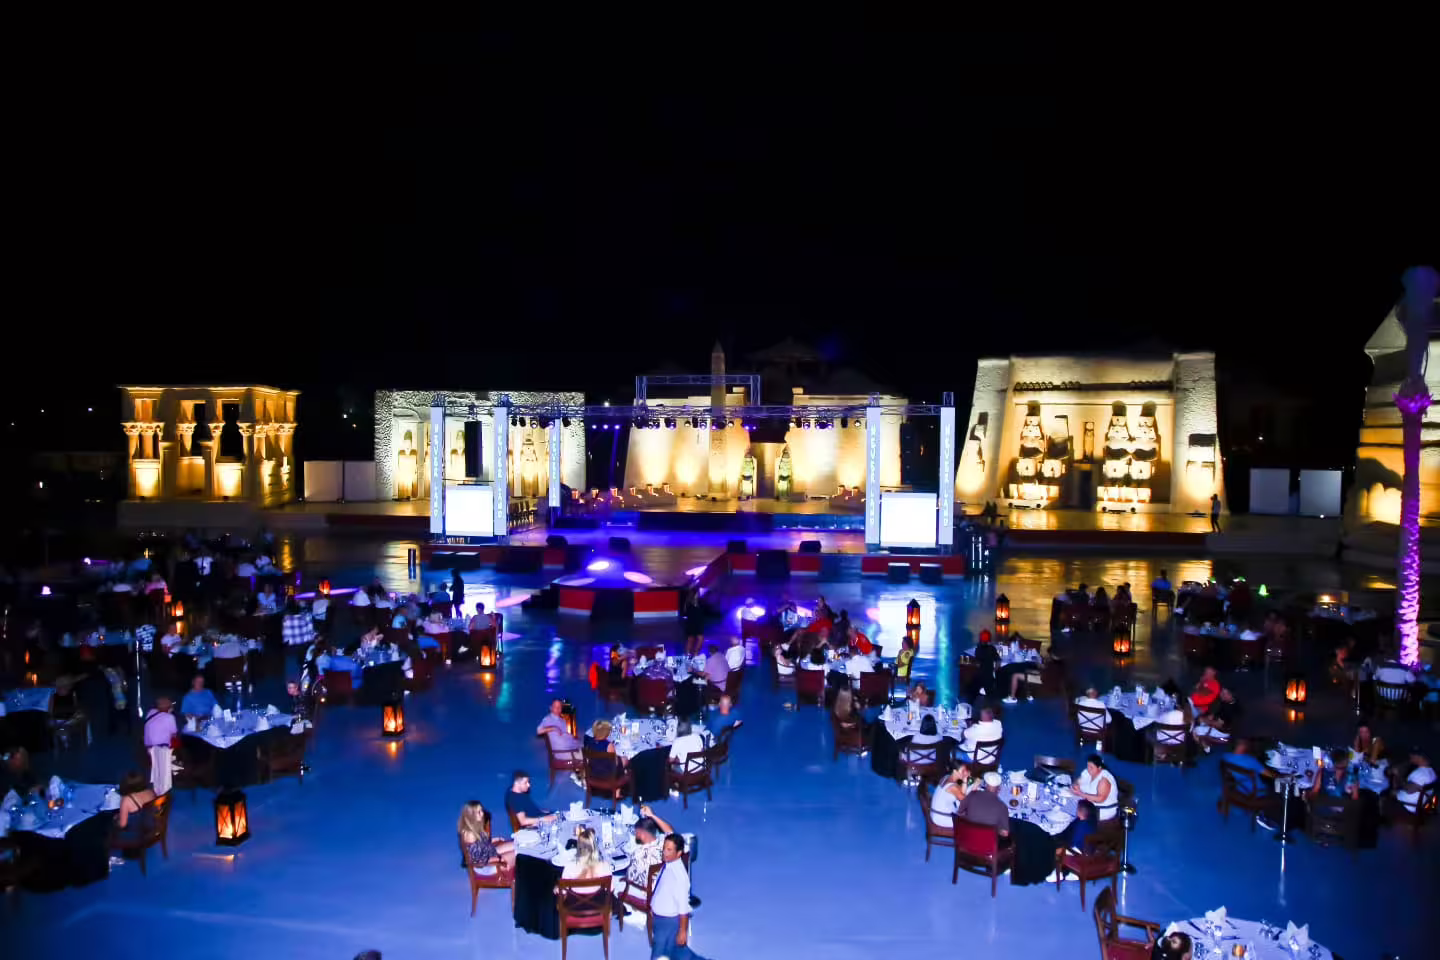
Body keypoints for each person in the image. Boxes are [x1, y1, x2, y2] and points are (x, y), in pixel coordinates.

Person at [650, 833, 704, 960]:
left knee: (658, 955)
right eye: (664, 848)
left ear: (679, 853)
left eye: (669, 850)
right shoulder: (669, 865)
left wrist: (683, 931)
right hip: (660, 920)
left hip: (667, 923)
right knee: (680, 954)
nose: (664, 852)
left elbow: (683, 908)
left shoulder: (679, 877)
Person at [619, 806, 675, 897]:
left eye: (636, 832)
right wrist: (652, 815)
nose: (635, 834)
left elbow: (630, 877)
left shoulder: (638, 854)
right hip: (667, 887)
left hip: (651, 895)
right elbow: (670, 831)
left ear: (642, 834)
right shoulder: (663, 843)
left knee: (617, 881)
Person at [457, 800, 515, 874]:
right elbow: (478, 861)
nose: (482, 814)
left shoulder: (475, 829)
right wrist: (499, 861)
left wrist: (494, 840)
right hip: (486, 867)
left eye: (481, 811)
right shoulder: (469, 834)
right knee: (522, 852)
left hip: (488, 855)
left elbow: (480, 845)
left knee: (517, 844)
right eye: (479, 812)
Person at [956, 771, 1011, 839]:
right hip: (988, 846)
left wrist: (971, 819)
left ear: (985, 785)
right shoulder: (1002, 806)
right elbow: (1005, 833)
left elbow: (959, 812)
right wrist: (995, 829)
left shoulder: (972, 794)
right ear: (999, 788)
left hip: (966, 840)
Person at [142, 695, 178, 794]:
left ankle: (156, 788)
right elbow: (174, 733)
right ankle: (162, 796)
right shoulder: (170, 717)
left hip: (149, 747)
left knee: (156, 770)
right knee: (164, 778)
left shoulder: (150, 713)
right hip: (161, 748)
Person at [112, 771, 158, 845]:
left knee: (108, 824)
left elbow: (122, 825)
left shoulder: (126, 800)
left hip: (137, 835)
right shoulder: (150, 792)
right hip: (151, 829)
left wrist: (116, 819)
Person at [560, 825, 608, 895]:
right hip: (599, 904)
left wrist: (556, 888)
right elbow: (610, 889)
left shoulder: (569, 867)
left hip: (575, 905)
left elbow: (563, 891)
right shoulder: (605, 866)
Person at [1072, 754, 1119, 820]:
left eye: (1091, 767)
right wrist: (1076, 786)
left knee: (1073, 812)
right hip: (1089, 805)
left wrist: (1081, 794)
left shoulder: (1104, 779)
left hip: (1103, 809)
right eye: (1088, 766)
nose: (1089, 769)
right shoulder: (1086, 773)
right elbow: (1077, 781)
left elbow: (1100, 799)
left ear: (1099, 768)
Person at [930, 763, 975, 827]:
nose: (965, 773)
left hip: (935, 813)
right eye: (962, 771)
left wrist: (965, 780)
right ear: (954, 771)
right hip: (941, 818)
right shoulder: (952, 787)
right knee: (973, 820)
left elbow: (961, 790)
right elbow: (965, 801)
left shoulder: (946, 777)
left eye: (965, 771)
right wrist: (965, 780)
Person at [1394, 747, 1435, 813]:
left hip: (1409, 805)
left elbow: (1409, 790)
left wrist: (1398, 776)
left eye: (1412, 755)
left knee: (1387, 793)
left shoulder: (1420, 773)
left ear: (1419, 757)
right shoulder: (1432, 771)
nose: (1410, 756)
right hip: (1422, 802)